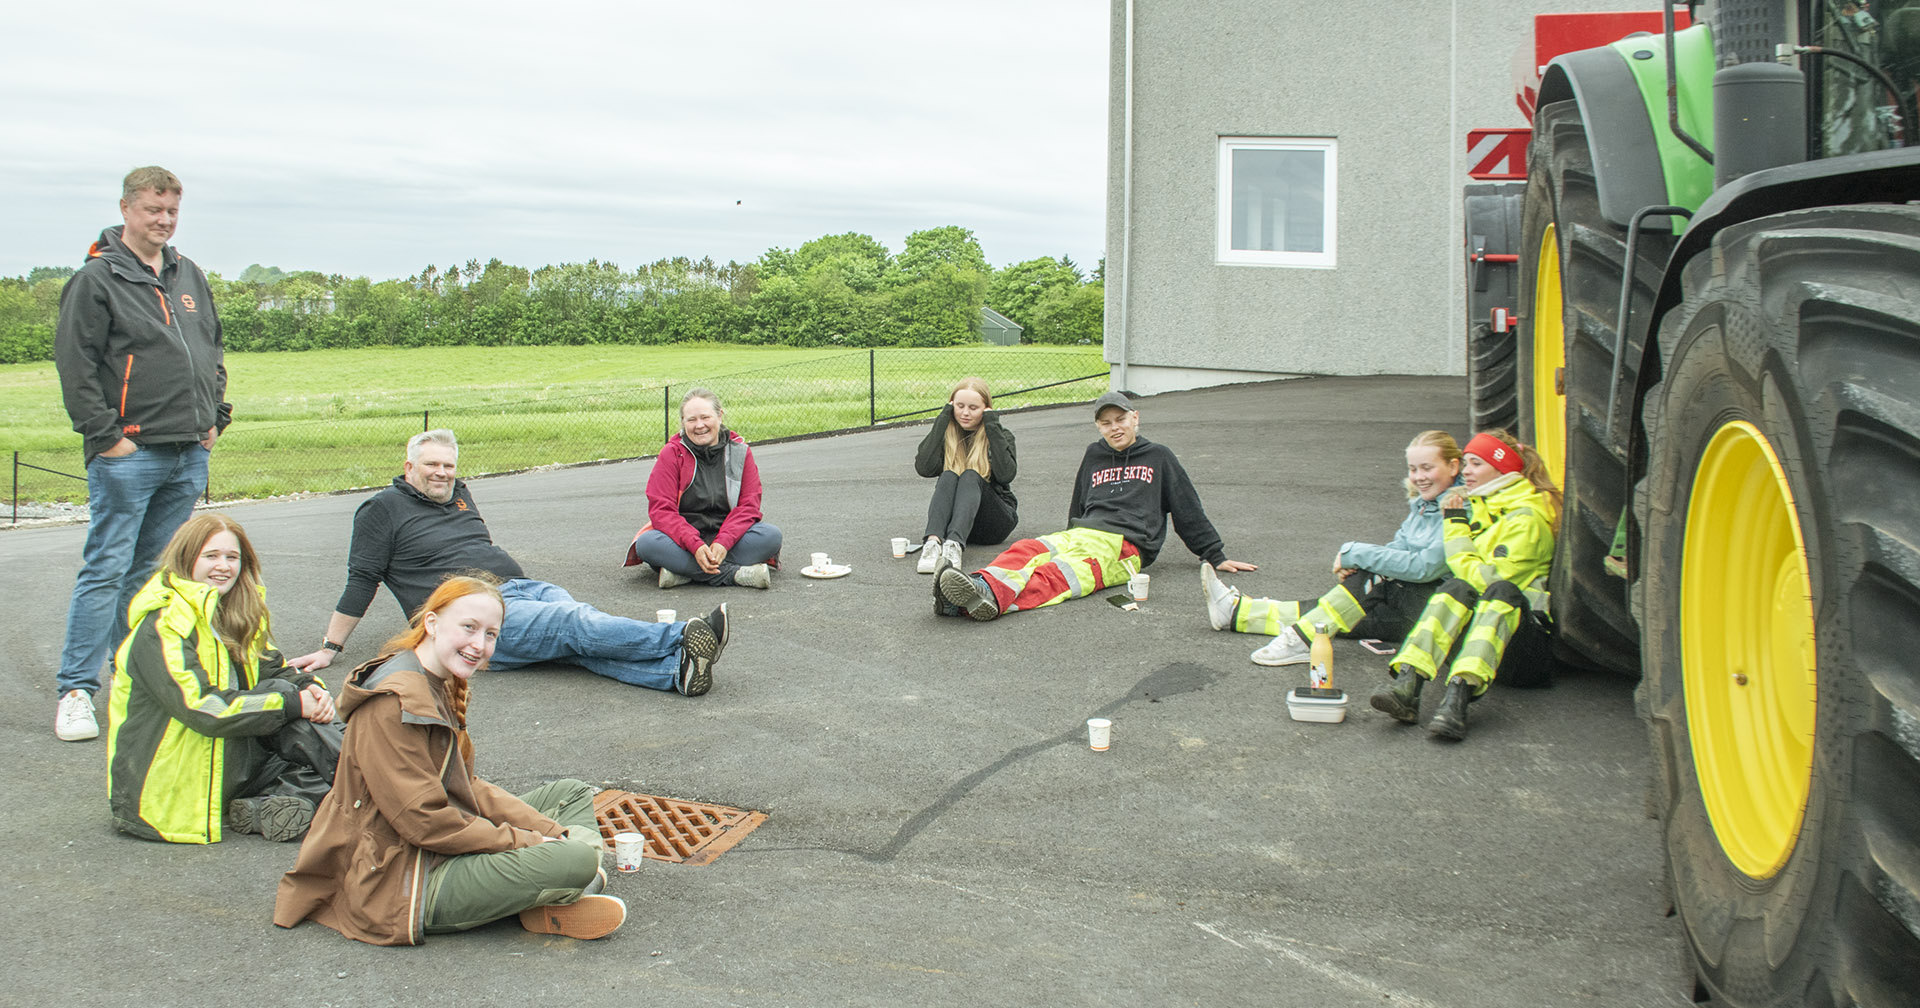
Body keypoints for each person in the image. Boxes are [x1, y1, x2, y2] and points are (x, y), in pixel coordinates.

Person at [275, 576, 625, 944]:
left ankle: (552, 893)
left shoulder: (435, 678)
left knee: (569, 794)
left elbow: (466, 786)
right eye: (469, 628)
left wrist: (550, 833)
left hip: (434, 846)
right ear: (431, 623)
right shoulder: (394, 703)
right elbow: (425, 823)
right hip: (399, 878)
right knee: (579, 861)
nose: (479, 645)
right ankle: (569, 883)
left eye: (490, 634)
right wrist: (530, 842)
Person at [287, 429, 729, 696]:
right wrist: (331, 648)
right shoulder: (380, 510)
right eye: (431, 465)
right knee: (574, 623)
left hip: (519, 588)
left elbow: (476, 542)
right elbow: (362, 580)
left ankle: (674, 674)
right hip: (470, 614)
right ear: (408, 467)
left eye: (449, 465)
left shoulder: (458, 491)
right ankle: (681, 638)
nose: (442, 473)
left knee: (577, 637)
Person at [53, 166, 231, 742]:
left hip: (188, 450)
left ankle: (129, 671)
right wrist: (107, 436)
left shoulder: (189, 274)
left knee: (154, 574)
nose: (163, 220)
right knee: (106, 567)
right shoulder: (97, 279)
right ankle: (77, 691)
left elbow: (212, 349)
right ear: (127, 209)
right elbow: (75, 367)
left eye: (172, 211)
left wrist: (214, 419)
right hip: (130, 452)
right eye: (153, 210)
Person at [107, 513, 343, 844]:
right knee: (289, 708)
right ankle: (375, 784)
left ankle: (263, 808)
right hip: (172, 790)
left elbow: (274, 667)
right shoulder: (162, 626)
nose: (224, 566)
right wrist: (293, 703)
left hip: (227, 762)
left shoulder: (236, 610)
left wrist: (313, 691)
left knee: (312, 723)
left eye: (232, 557)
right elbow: (203, 709)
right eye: (212, 556)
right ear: (187, 557)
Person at [935, 391, 1256, 621]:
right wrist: (1068, 533)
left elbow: (1187, 507)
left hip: (1125, 546)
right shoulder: (1094, 454)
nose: (1115, 427)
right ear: (1098, 427)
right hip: (1083, 532)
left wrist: (1214, 554)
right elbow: (1080, 501)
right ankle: (975, 587)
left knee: (1058, 575)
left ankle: (982, 600)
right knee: (1027, 549)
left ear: (1135, 418)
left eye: (1121, 419)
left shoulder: (1159, 457)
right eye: (1106, 423)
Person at [1201, 430, 1464, 665]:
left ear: (1453, 466)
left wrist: (1356, 555)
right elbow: (1397, 550)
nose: (1419, 477)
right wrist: (1365, 561)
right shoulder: (1422, 505)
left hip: (1438, 610)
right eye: (1413, 469)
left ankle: (1299, 640)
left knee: (1365, 582)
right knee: (1332, 610)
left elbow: (1425, 568)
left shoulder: (1462, 509)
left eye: (1427, 468)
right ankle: (1237, 612)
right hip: (1409, 604)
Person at [1368, 429, 1560, 741]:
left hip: (1523, 653)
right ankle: (1407, 686)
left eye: (1474, 464)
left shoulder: (1526, 519)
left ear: (1503, 469)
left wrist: (1455, 526)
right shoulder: (1483, 504)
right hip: (1489, 643)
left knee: (1499, 590)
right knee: (1456, 588)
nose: (1465, 471)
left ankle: (1457, 701)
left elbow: (1487, 583)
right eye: (1466, 463)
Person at [625, 388, 782, 589]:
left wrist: (723, 543)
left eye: (705, 417)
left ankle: (683, 573)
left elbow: (749, 507)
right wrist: (695, 545)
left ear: (719, 415)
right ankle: (735, 574)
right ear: (683, 422)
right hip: (682, 541)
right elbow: (661, 510)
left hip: (729, 538)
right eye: (691, 420)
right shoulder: (671, 453)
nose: (699, 426)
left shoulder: (740, 452)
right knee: (647, 543)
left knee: (771, 536)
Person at [914, 377, 1018, 575]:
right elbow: (924, 468)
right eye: (959, 406)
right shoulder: (948, 436)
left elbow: (1006, 475)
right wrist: (943, 418)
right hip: (959, 523)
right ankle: (933, 543)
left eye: (973, 407)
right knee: (948, 475)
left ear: (986, 409)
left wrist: (992, 425)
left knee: (970, 475)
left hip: (994, 522)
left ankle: (953, 546)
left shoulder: (1001, 435)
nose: (965, 413)